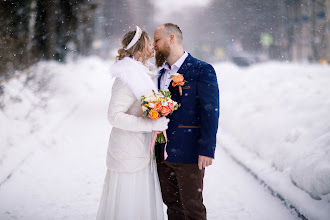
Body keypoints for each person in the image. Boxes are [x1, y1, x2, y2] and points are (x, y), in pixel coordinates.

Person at [96, 26, 168, 220]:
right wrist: (151, 125)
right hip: (128, 156)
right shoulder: (127, 78)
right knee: (129, 207)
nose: (153, 47)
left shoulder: (144, 75)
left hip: (142, 151)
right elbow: (114, 116)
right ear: (138, 52)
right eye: (148, 45)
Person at [153, 23, 220, 220]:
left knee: (193, 208)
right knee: (172, 207)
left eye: (157, 40)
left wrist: (207, 149)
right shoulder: (158, 73)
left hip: (189, 153)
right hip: (162, 153)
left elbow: (211, 112)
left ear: (171, 38)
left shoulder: (202, 69)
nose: (154, 46)